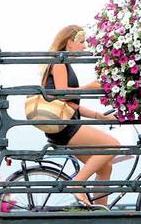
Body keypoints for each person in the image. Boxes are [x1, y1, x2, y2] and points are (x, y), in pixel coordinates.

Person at [40, 25, 118, 205]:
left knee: (105, 168)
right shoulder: (59, 62)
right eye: (81, 42)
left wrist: (101, 117)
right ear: (69, 42)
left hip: (65, 122)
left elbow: (70, 104)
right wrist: (87, 88)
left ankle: (100, 213)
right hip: (64, 126)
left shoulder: (63, 63)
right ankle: (77, 184)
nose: (84, 46)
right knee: (113, 145)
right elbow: (63, 94)